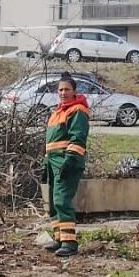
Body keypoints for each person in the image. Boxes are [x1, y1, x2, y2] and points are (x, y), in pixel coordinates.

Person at [42, 72, 89, 257]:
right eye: (60, 89)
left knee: (62, 200)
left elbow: (78, 138)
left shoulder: (77, 110)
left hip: (66, 161)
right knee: (53, 203)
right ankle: (59, 239)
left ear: (74, 91)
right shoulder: (58, 111)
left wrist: (70, 160)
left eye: (67, 89)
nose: (63, 93)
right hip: (52, 161)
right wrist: (45, 163)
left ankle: (70, 242)